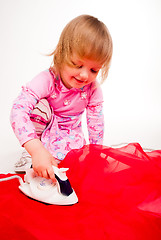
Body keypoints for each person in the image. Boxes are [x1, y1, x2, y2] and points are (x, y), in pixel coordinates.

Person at [10, 14, 113, 182]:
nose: (85, 75)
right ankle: (31, 156)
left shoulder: (93, 89)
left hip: (71, 138)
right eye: (78, 65)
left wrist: (95, 154)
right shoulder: (48, 80)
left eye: (94, 70)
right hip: (41, 135)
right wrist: (35, 150)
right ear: (62, 53)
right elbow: (18, 110)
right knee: (40, 106)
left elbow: (96, 124)